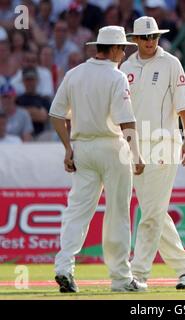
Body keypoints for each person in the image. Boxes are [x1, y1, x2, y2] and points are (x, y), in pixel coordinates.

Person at [49, 26, 147, 293]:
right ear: (114, 49)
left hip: (82, 147)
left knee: (77, 210)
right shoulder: (116, 77)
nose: (125, 52)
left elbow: (56, 114)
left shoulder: (74, 74)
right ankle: (120, 278)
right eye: (123, 48)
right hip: (112, 146)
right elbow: (125, 120)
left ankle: (64, 266)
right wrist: (136, 154)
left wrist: (68, 148)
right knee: (117, 212)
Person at [120, 16, 185, 290]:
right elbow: (123, 111)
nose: (150, 42)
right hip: (136, 146)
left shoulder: (170, 62)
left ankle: (139, 274)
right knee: (154, 211)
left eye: (153, 36)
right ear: (134, 40)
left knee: (152, 212)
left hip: (164, 143)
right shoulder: (126, 66)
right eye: (144, 38)